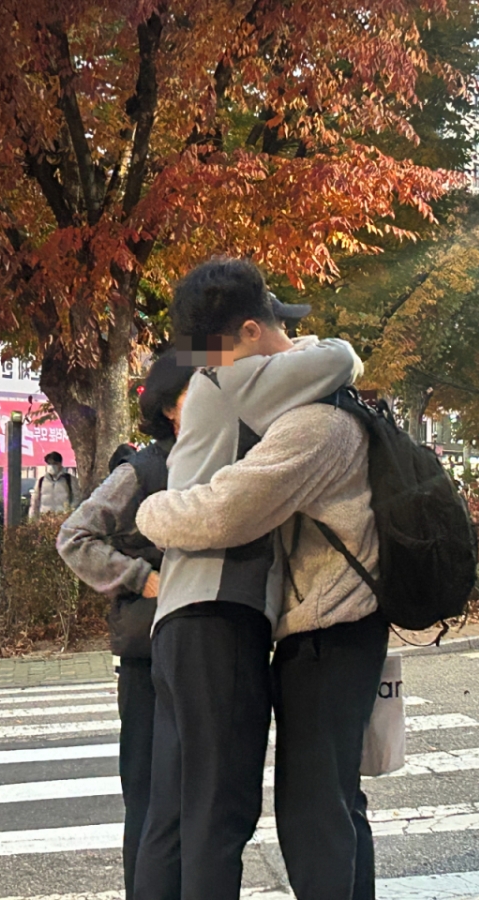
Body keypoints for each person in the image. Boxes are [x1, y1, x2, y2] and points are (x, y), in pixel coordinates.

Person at [132, 257, 362, 900]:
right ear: (251, 333)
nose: (290, 343)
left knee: (178, 813)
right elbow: (340, 359)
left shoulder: (210, 384)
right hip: (219, 614)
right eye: (279, 328)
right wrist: (311, 346)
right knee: (221, 816)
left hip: (180, 622)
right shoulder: (232, 379)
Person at [56, 351, 194, 900]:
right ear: (167, 409)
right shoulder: (140, 469)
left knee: (194, 793)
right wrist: (139, 576)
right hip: (147, 653)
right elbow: (74, 536)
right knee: (146, 789)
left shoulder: (221, 460)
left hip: (205, 649)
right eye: (193, 395)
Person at [31, 451, 75, 517]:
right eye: (49, 463)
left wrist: (69, 513)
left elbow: (77, 499)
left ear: (60, 464)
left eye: (54, 463)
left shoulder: (69, 480)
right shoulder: (41, 481)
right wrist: (33, 519)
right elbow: (34, 502)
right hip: (45, 520)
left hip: (63, 519)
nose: (52, 466)